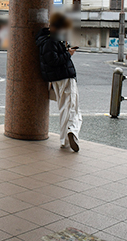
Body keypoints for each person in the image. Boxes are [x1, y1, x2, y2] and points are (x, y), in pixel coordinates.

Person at [36, 13, 82, 152]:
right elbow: (54, 61)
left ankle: (66, 139)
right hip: (64, 77)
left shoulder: (45, 39)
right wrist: (68, 53)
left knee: (66, 108)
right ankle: (71, 133)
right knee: (72, 107)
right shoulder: (50, 41)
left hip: (56, 79)